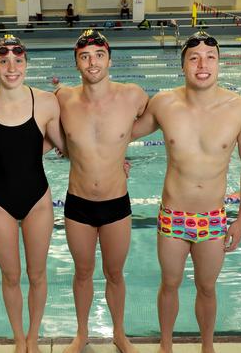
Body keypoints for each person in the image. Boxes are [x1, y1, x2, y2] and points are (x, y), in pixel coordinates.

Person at [131, 31, 241, 353]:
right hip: (173, 216)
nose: (203, 64)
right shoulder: (163, 103)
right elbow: (121, 134)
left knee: (206, 287)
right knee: (170, 284)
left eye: (210, 58)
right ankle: (165, 346)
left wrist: (240, 220)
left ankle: (207, 346)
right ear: (183, 65)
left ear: (219, 63)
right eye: (194, 58)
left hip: (213, 219)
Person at [0, 34, 65, 353]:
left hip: (37, 199)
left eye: (18, 61)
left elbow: (68, 144)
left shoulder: (46, 101)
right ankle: (18, 339)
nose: (11, 67)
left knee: (36, 274)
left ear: (26, 64)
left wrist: (118, 159)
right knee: (10, 275)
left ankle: (33, 338)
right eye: (4, 61)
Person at [55, 29, 149, 353]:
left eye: (98, 55)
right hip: (78, 202)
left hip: (116, 204)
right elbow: (42, 132)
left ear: (109, 58)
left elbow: (159, 120)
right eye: (84, 57)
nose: (92, 62)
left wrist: (121, 148)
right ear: (77, 64)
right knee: (82, 272)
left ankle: (119, 334)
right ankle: (81, 334)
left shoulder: (132, 95)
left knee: (114, 273)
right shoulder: (63, 99)